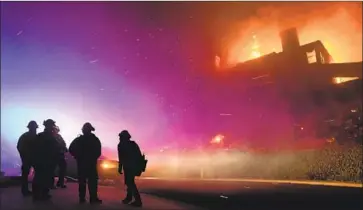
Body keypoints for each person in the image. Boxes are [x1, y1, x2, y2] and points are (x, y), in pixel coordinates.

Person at [69, 122, 102, 204]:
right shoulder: (94, 139)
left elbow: (71, 149)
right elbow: (98, 152)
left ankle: (82, 198)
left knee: (83, 181)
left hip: (83, 163)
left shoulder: (79, 139)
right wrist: (92, 158)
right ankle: (92, 198)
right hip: (90, 164)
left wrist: (77, 156)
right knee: (92, 181)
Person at [32, 119, 59, 201]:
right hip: (45, 161)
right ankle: (42, 194)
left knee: (40, 177)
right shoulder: (50, 137)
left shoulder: (40, 136)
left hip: (42, 161)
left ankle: (39, 194)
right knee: (43, 177)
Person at [118, 130, 143, 207]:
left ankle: (137, 201)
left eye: (120, 136)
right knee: (130, 182)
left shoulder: (121, 145)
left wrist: (120, 167)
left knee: (130, 182)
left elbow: (121, 158)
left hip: (128, 166)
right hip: (133, 166)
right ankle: (129, 198)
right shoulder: (133, 144)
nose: (119, 138)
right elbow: (139, 155)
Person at [17, 120, 38, 196]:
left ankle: (27, 190)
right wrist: (25, 156)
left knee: (27, 174)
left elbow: (19, 147)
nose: (34, 129)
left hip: (30, 158)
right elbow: (20, 147)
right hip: (28, 158)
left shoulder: (26, 136)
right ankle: (27, 190)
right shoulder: (27, 137)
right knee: (27, 174)